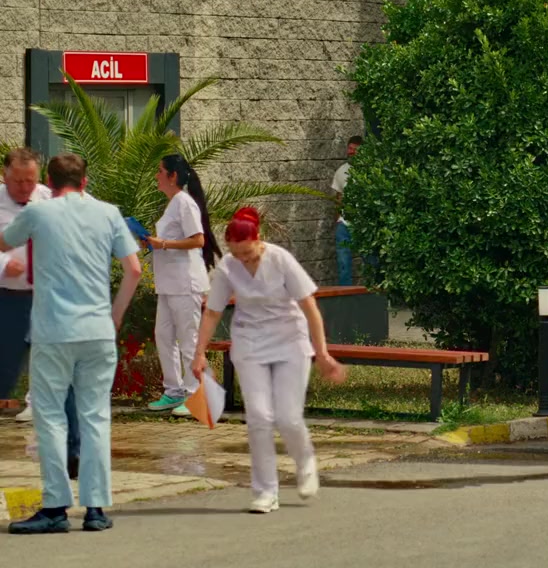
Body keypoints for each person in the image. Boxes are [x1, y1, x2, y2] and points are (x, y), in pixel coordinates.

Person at [1, 153, 143, 534]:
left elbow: (4, 243)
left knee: (50, 417)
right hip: (97, 330)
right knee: (95, 416)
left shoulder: (38, 212)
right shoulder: (109, 213)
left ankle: (55, 507)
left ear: (48, 181)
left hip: (53, 331)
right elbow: (134, 269)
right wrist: (115, 316)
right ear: (85, 181)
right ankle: (95, 509)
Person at [192, 207, 346, 514]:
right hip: (250, 343)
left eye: (248, 253)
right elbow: (212, 312)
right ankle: (265, 491)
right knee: (259, 417)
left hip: (290, 341)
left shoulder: (280, 259)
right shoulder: (227, 267)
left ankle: (305, 463)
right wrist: (199, 353)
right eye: (237, 254)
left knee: (288, 418)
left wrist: (322, 353)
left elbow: (309, 307)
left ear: (258, 239)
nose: (243, 259)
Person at [0, 148, 81, 478]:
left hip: (48, 298)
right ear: (5, 176)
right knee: (4, 374)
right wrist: (4, 265)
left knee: (63, 373)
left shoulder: (50, 198)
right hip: (8, 299)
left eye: (30, 181)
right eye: (18, 181)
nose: (24, 188)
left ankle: (74, 453)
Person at [142, 154, 220, 416]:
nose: (156, 175)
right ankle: (173, 390)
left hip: (185, 283)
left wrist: (163, 243)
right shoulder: (173, 203)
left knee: (189, 340)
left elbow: (198, 240)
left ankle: (196, 394)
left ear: (172, 176)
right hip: (168, 284)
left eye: (160, 171)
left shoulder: (185, 203)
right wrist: (153, 242)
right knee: (163, 336)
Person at [332, 135, 361, 285]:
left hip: (364, 225)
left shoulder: (372, 170)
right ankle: (346, 295)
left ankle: (376, 295)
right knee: (343, 265)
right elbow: (339, 197)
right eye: (350, 148)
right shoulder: (341, 171)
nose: (351, 152)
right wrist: (337, 219)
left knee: (371, 262)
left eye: (355, 149)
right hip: (344, 225)